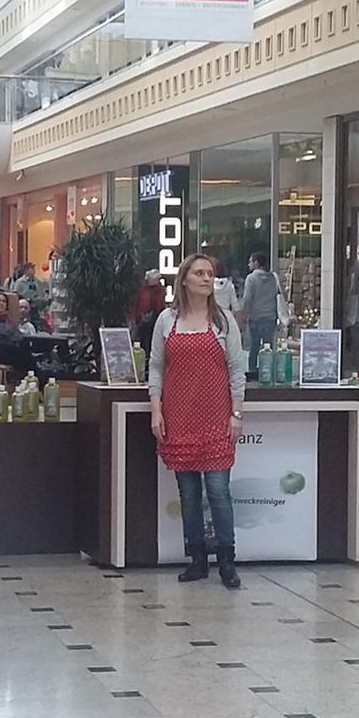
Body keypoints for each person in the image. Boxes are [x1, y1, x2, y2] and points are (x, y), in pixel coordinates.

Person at [149, 252, 248, 589]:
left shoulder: (223, 323)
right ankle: (196, 559)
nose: (207, 278)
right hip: (179, 415)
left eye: (210, 273)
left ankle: (227, 561)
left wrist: (236, 413)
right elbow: (156, 367)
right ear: (185, 279)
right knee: (188, 493)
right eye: (200, 273)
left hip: (216, 416)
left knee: (219, 491)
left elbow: (237, 369)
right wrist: (156, 409)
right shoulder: (167, 320)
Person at [0, 290, 39, 379]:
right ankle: (33, 379)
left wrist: (9, 334)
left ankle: (34, 378)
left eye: (4, 301)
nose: (1, 303)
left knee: (25, 351)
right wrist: (9, 332)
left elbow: (17, 335)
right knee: (19, 355)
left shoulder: (7, 319)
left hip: (7, 346)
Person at [239, 252, 281, 378]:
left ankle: (252, 371)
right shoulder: (273, 277)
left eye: (250, 261)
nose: (248, 264)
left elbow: (247, 299)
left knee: (254, 346)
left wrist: (244, 315)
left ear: (256, 263)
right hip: (270, 317)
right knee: (268, 346)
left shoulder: (251, 278)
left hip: (255, 317)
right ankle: (268, 371)